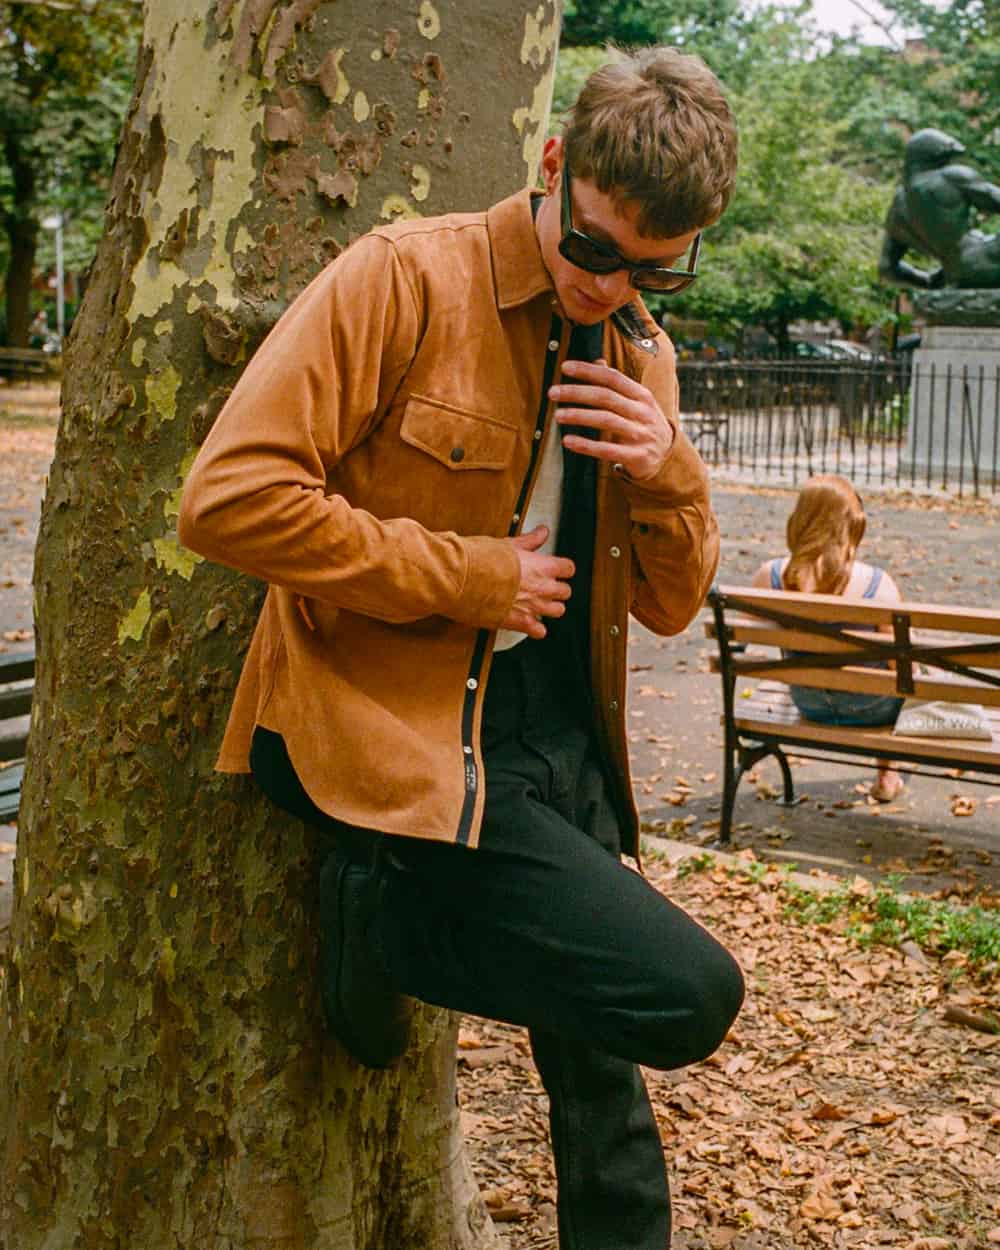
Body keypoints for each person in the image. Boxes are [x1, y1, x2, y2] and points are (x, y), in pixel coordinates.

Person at [179, 46, 744, 1249]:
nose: (611, 288)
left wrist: (672, 469)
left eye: (655, 270)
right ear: (552, 166)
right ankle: (377, 909)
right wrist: (465, 575)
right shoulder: (402, 278)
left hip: (553, 747)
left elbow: (668, 605)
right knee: (685, 993)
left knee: (604, 1088)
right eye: (591, 248)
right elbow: (227, 499)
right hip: (382, 731)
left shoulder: (641, 349)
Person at [752, 475, 905, 802]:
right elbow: (900, 668)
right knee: (908, 674)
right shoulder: (878, 586)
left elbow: (740, 637)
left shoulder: (770, 576)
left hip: (808, 702)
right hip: (872, 708)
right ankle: (888, 774)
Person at [879, 127, 1000, 290]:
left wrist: (929, 281)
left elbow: (886, 268)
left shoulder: (899, 204)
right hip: (988, 262)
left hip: (954, 274)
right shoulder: (952, 177)